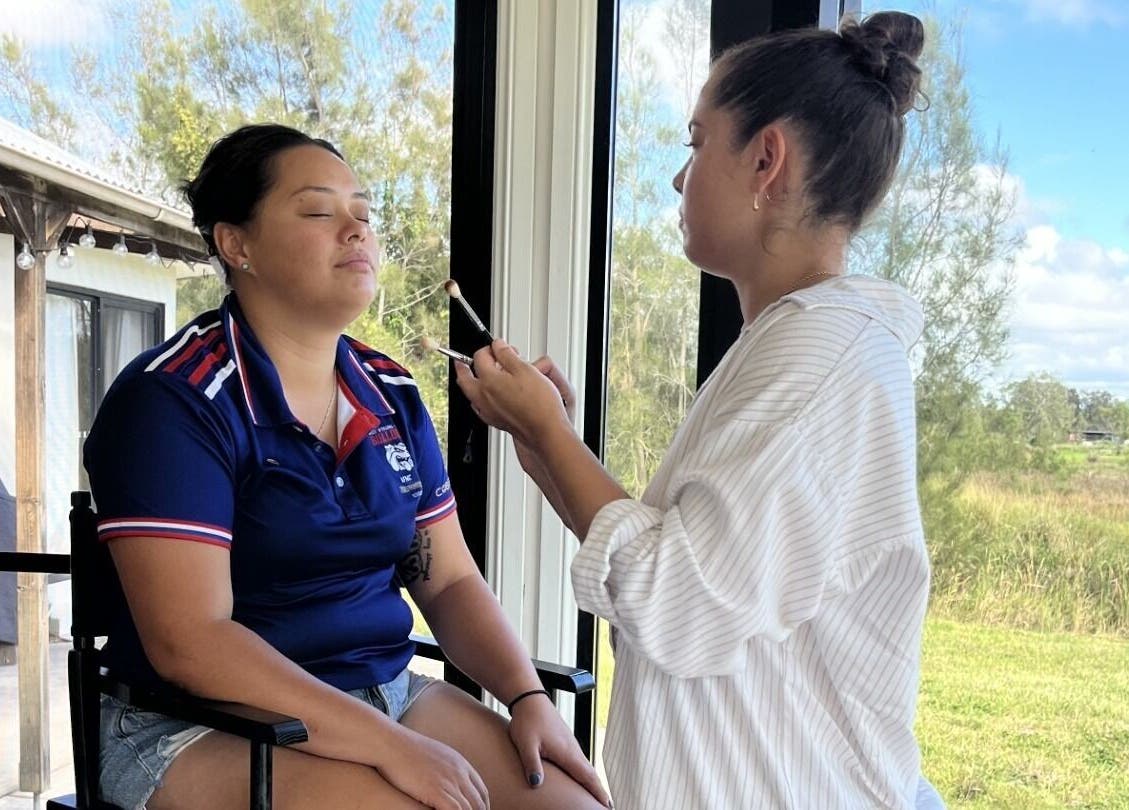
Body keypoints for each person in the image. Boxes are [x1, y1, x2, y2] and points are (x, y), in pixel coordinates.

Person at [457, 12, 946, 810]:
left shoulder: (822, 357)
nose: (679, 179)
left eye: (694, 143)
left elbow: (677, 601)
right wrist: (544, 448)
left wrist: (547, 433)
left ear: (765, 158)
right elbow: (693, 568)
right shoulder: (796, 344)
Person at [82, 124, 612, 810]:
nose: (355, 230)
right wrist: (391, 749)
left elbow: (446, 580)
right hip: (196, 721)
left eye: (362, 213)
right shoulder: (172, 400)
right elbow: (193, 643)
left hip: (385, 692)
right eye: (317, 211)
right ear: (234, 244)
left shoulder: (389, 391)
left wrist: (526, 695)